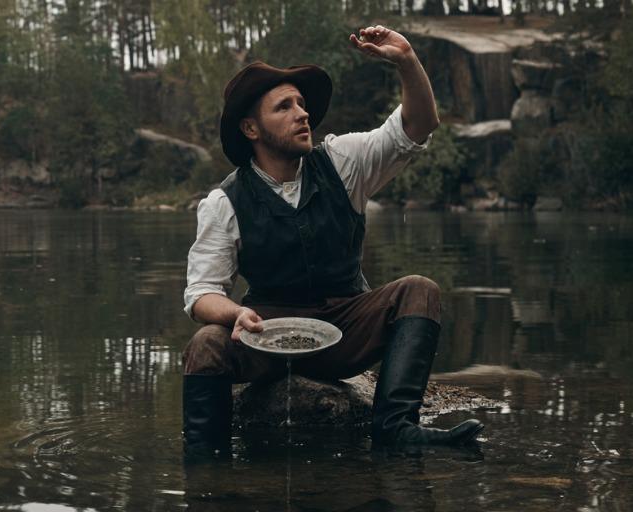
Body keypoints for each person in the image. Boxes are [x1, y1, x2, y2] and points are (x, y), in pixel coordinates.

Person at [181, 25, 484, 458]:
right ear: (251, 128)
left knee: (419, 291)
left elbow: (417, 125)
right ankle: (204, 463)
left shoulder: (343, 162)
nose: (302, 113)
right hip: (266, 337)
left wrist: (407, 60)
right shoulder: (223, 201)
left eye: (302, 104)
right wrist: (236, 314)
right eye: (284, 107)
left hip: (346, 331)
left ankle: (396, 429)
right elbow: (201, 294)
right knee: (206, 343)